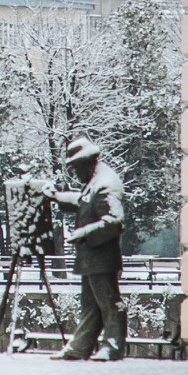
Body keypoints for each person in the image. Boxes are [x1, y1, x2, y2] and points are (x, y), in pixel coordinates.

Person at [50, 136, 130, 361]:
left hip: (101, 256)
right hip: (91, 257)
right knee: (90, 305)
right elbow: (83, 201)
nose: (75, 173)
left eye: (76, 168)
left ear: (87, 163)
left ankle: (113, 347)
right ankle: (80, 347)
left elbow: (115, 221)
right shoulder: (95, 181)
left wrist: (84, 233)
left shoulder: (106, 184)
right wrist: (56, 196)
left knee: (109, 303)